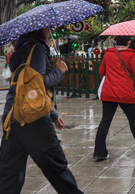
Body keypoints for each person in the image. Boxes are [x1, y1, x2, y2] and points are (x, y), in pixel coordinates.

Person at [0, 28, 83, 194]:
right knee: (57, 168)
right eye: (48, 28)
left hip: (13, 116)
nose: (50, 30)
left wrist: (52, 114)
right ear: (41, 29)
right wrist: (59, 70)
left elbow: (26, 88)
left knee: (10, 175)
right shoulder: (37, 48)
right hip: (34, 120)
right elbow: (39, 82)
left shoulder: (20, 49)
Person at [93, 35, 135, 160]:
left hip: (109, 92)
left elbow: (101, 71)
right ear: (128, 41)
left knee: (105, 121)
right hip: (125, 93)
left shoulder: (108, 54)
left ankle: (99, 151)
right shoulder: (131, 54)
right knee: (133, 120)